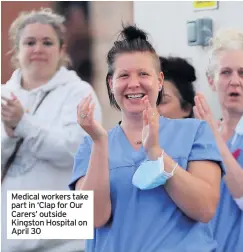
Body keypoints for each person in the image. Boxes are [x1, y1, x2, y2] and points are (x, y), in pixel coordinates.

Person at [69, 25, 224, 252]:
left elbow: (205, 208)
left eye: (143, 74)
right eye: (124, 75)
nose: (134, 83)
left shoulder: (195, 132)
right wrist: (100, 143)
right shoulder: (91, 144)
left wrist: (156, 154)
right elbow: (94, 218)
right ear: (111, 83)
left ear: (159, 81)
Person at [1, 8, 101, 252]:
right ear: (16, 49)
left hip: (64, 238)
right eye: (30, 42)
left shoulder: (79, 92)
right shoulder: (3, 95)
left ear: (62, 49)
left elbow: (78, 151)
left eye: (47, 42)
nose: (38, 49)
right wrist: (9, 136)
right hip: (8, 239)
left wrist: (23, 124)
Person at [193, 29, 243, 252]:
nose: (235, 81)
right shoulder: (201, 136)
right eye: (225, 72)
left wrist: (213, 137)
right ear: (211, 81)